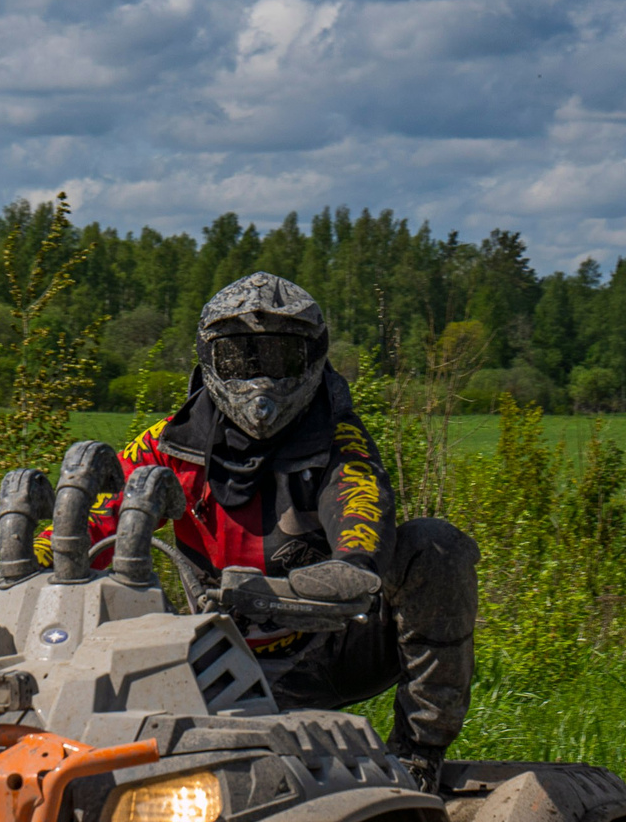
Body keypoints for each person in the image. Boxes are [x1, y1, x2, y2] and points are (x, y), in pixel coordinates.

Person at [52, 271, 479, 792]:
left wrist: (340, 573)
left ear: (312, 358)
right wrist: (32, 561)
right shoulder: (169, 442)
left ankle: (418, 752)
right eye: (240, 359)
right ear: (211, 360)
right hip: (213, 658)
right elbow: (96, 514)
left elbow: (362, 526)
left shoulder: (341, 444)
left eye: (277, 358)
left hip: (332, 645)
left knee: (436, 547)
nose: (260, 379)